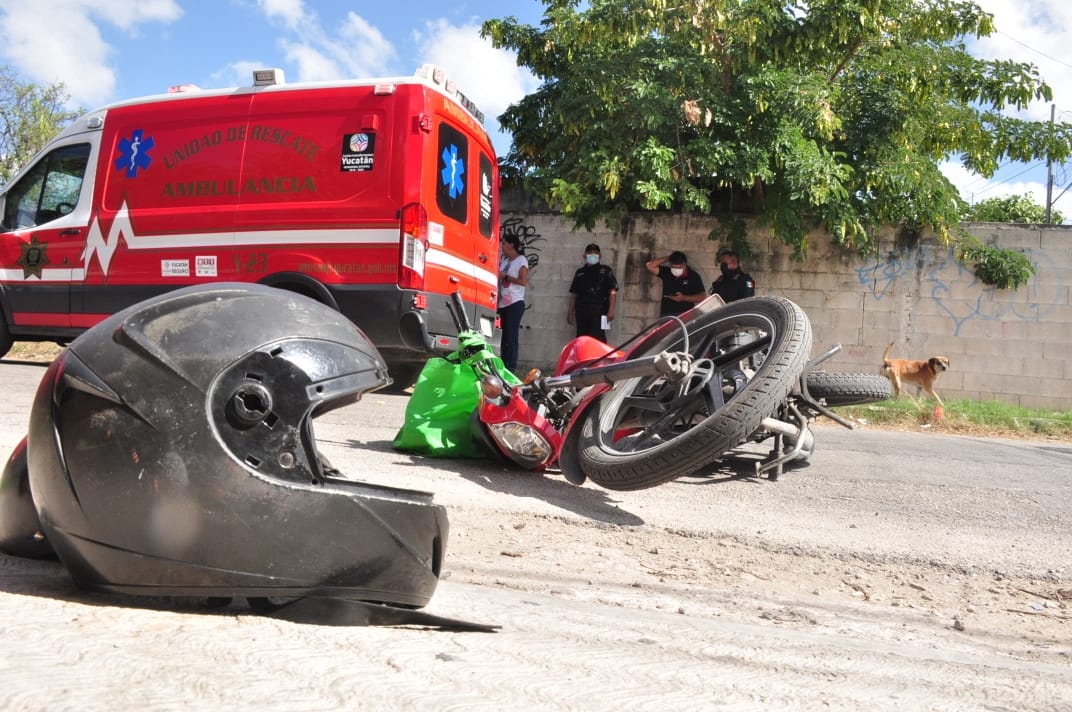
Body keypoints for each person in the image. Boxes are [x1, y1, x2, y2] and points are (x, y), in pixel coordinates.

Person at [567, 243, 619, 342]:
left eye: (595, 253)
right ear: (584, 256)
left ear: (600, 256)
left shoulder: (606, 271)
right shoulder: (580, 272)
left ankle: (600, 358)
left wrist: (611, 310)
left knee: (599, 339)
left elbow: (613, 291)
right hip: (582, 311)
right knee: (581, 339)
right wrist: (570, 312)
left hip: (600, 311)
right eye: (590, 253)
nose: (593, 255)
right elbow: (574, 294)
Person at [497, 233, 528, 372]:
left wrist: (506, 277)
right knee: (503, 336)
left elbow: (523, 281)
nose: (502, 246)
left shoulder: (521, 260)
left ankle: (511, 366)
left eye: (504, 243)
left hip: (515, 303)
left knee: (511, 335)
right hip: (502, 303)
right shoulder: (504, 261)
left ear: (511, 245)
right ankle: (502, 364)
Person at [645, 250, 706, 317]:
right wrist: (669, 258)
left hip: (685, 316)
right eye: (673, 267)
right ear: (670, 265)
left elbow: (702, 297)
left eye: (679, 267)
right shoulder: (667, 272)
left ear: (685, 265)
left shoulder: (693, 276)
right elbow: (650, 266)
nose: (676, 270)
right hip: (667, 315)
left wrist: (683, 298)